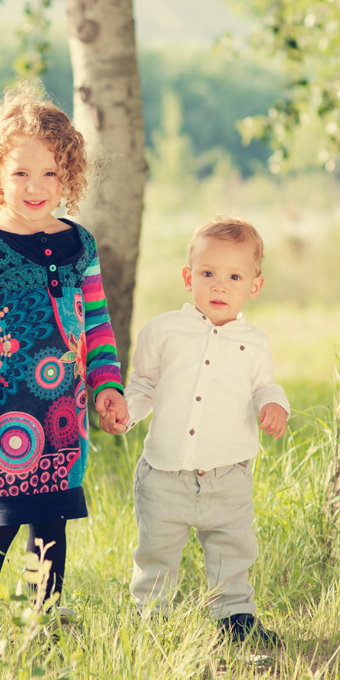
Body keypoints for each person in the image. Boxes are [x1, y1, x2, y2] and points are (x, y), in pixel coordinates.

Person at [0, 86, 129, 615]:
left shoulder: (80, 244)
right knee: (1, 520)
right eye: (21, 173)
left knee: (50, 523)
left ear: (68, 174)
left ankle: (39, 618)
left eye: (50, 173)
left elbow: (96, 323)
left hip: (65, 414)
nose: (35, 186)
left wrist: (108, 386)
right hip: (3, 411)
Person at [117, 216, 288, 644]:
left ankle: (236, 617)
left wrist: (273, 405)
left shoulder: (256, 343)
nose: (219, 286)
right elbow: (143, 385)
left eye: (234, 276)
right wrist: (127, 412)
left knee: (232, 548)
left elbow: (265, 386)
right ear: (187, 276)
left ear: (254, 286)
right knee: (156, 550)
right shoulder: (163, 331)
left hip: (228, 475)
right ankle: (149, 618)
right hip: (165, 472)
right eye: (208, 274)